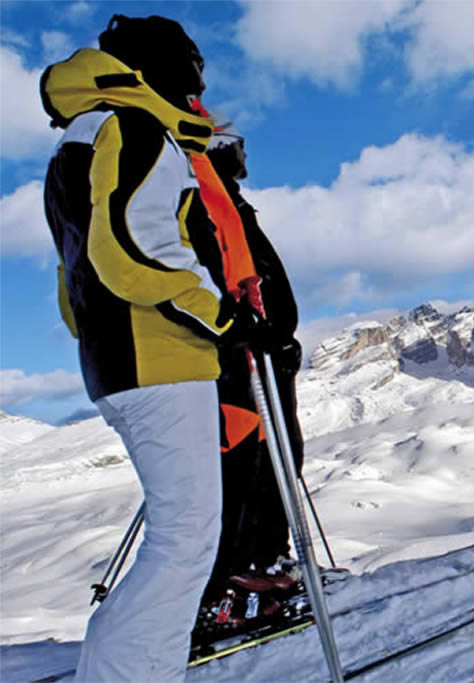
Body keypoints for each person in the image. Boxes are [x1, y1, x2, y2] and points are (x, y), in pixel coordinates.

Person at [40, 15, 256, 681]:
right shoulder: (133, 126)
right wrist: (221, 315)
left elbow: (70, 279)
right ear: (164, 67)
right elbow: (131, 249)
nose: (197, 89)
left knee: (180, 538)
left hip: (124, 358)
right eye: (191, 71)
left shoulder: (79, 141)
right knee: (186, 540)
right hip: (157, 354)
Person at [190, 114, 307, 640]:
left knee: (279, 459)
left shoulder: (228, 199)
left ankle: (263, 566)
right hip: (235, 353)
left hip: (263, 350)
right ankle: (224, 590)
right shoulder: (197, 193)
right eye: (226, 140)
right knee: (243, 469)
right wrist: (240, 327)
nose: (236, 149)